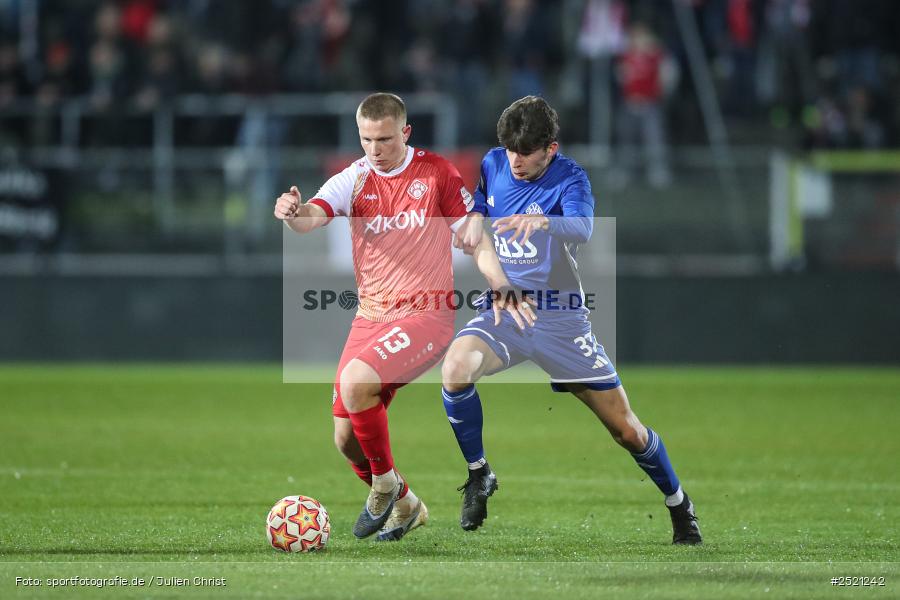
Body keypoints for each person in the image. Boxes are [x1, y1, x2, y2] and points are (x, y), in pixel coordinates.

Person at [444, 95, 702, 545]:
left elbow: (583, 228)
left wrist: (541, 222)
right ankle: (479, 474)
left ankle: (680, 506)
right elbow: (483, 204)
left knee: (627, 430)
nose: (516, 160)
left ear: (551, 148)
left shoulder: (571, 180)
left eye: (526, 152)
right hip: (507, 309)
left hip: (562, 321)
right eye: (510, 150)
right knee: (455, 370)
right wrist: (474, 217)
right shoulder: (492, 162)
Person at [274, 92, 528, 542]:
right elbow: (314, 216)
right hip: (370, 318)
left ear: (405, 133)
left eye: (385, 139)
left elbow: (477, 235)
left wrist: (499, 282)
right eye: (367, 139)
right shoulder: (353, 179)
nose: (375, 149)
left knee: (356, 384)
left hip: (425, 316)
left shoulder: (435, 173)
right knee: (345, 438)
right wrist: (293, 214)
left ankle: (385, 486)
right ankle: (407, 504)